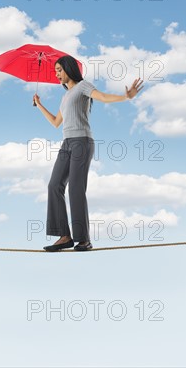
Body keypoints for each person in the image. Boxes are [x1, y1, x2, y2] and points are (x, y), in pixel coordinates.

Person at [33, 55, 144, 252]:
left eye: (59, 70)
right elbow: (56, 122)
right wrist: (39, 105)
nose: (57, 74)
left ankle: (83, 239)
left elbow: (102, 97)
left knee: (75, 188)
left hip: (82, 142)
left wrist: (126, 97)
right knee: (54, 186)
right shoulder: (65, 96)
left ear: (69, 69)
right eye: (55, 71)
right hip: (67, 143)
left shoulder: (83, 86)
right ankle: (64, 236)